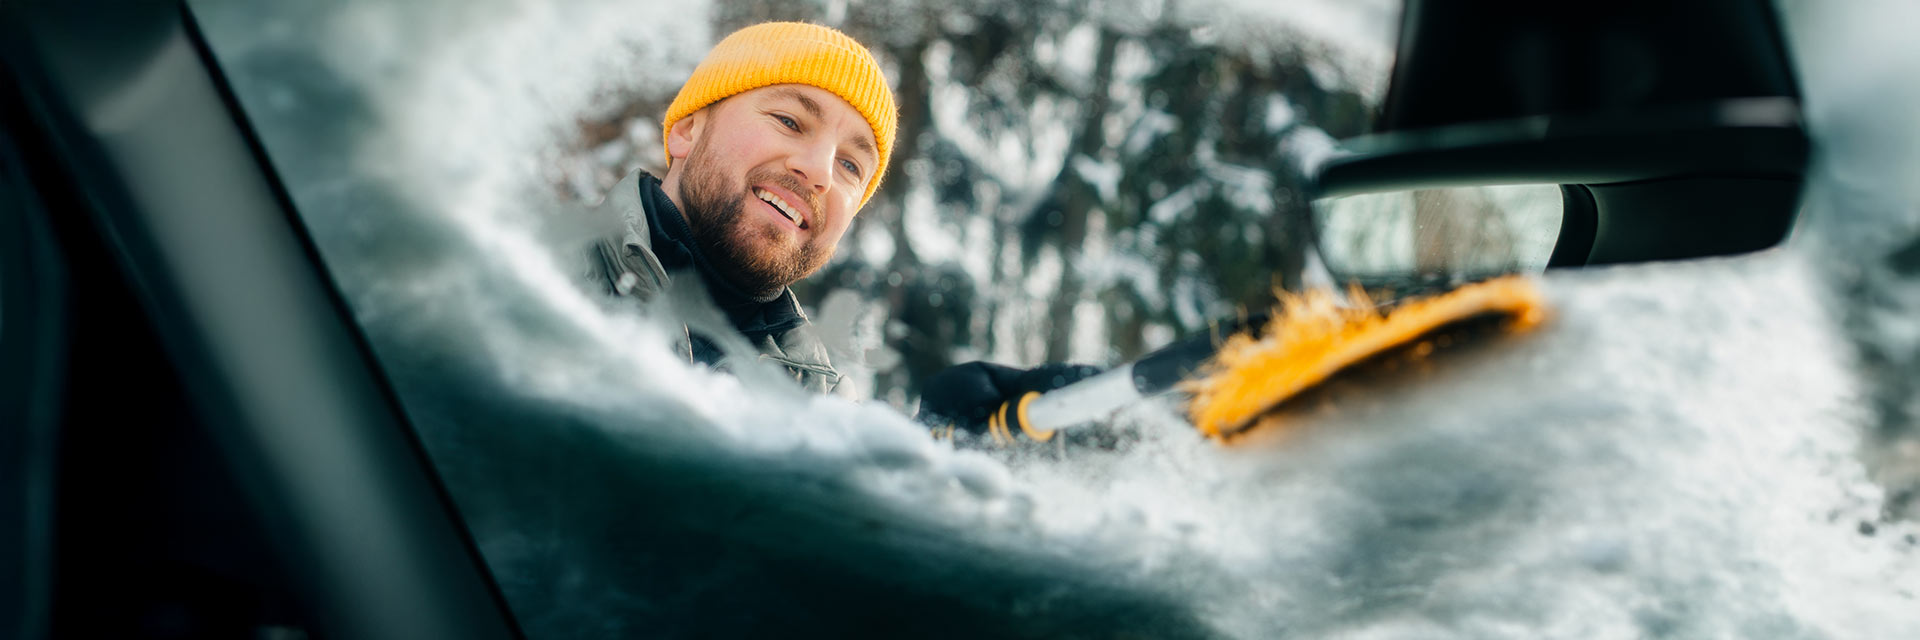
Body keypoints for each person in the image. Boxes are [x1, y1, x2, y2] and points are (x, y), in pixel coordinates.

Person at [584, 21, 1095, 434]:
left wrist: (940, 459)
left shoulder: (821, 411)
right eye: (789, 121)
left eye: (851, 165)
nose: (820, 172)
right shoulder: (551, 267)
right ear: (687, 130)